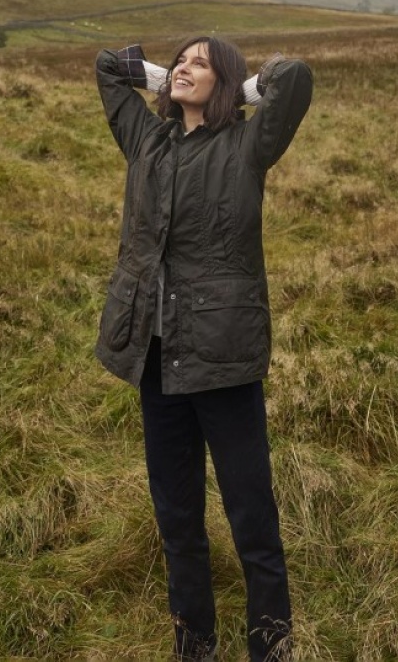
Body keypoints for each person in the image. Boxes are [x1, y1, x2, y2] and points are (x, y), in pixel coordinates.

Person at [95, 36, 313, 662]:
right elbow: (108, 69)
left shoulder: (247, 146)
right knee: (176, 511)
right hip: (154, 354)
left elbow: (293, 78)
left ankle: (270, 645)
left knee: (251, 512)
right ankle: (194, 643)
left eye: (200, 64)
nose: (186, 69)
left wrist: (240, 87)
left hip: (222, 354)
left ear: (226, 84)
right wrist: (168, 76)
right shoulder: (148, 140)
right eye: (180, 61)